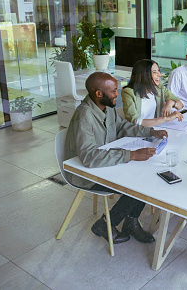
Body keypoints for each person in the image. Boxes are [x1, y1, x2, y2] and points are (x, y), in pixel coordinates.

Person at [63, 72, 168, 245]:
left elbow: (123, 127)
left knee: (144, 177)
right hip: (86, 173)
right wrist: (132, 155)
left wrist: (151, 132)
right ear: (98, 94)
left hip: (107, 164)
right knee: (138, 185)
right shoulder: (85, 116)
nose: (117, 94)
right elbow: (89, 157)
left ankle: (130, 222)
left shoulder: (107, 108)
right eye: (113, 91)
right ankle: (106, 224)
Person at [121, 59, 184, 126]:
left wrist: (171, 102)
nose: (159, 75)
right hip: (138, 133)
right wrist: (166, 119)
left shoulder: (159, 88)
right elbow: (135, 120)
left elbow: (181, 105)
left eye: (158, 71)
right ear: (144, 75)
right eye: (154, 72)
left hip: (157, 130)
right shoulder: (128, 92)